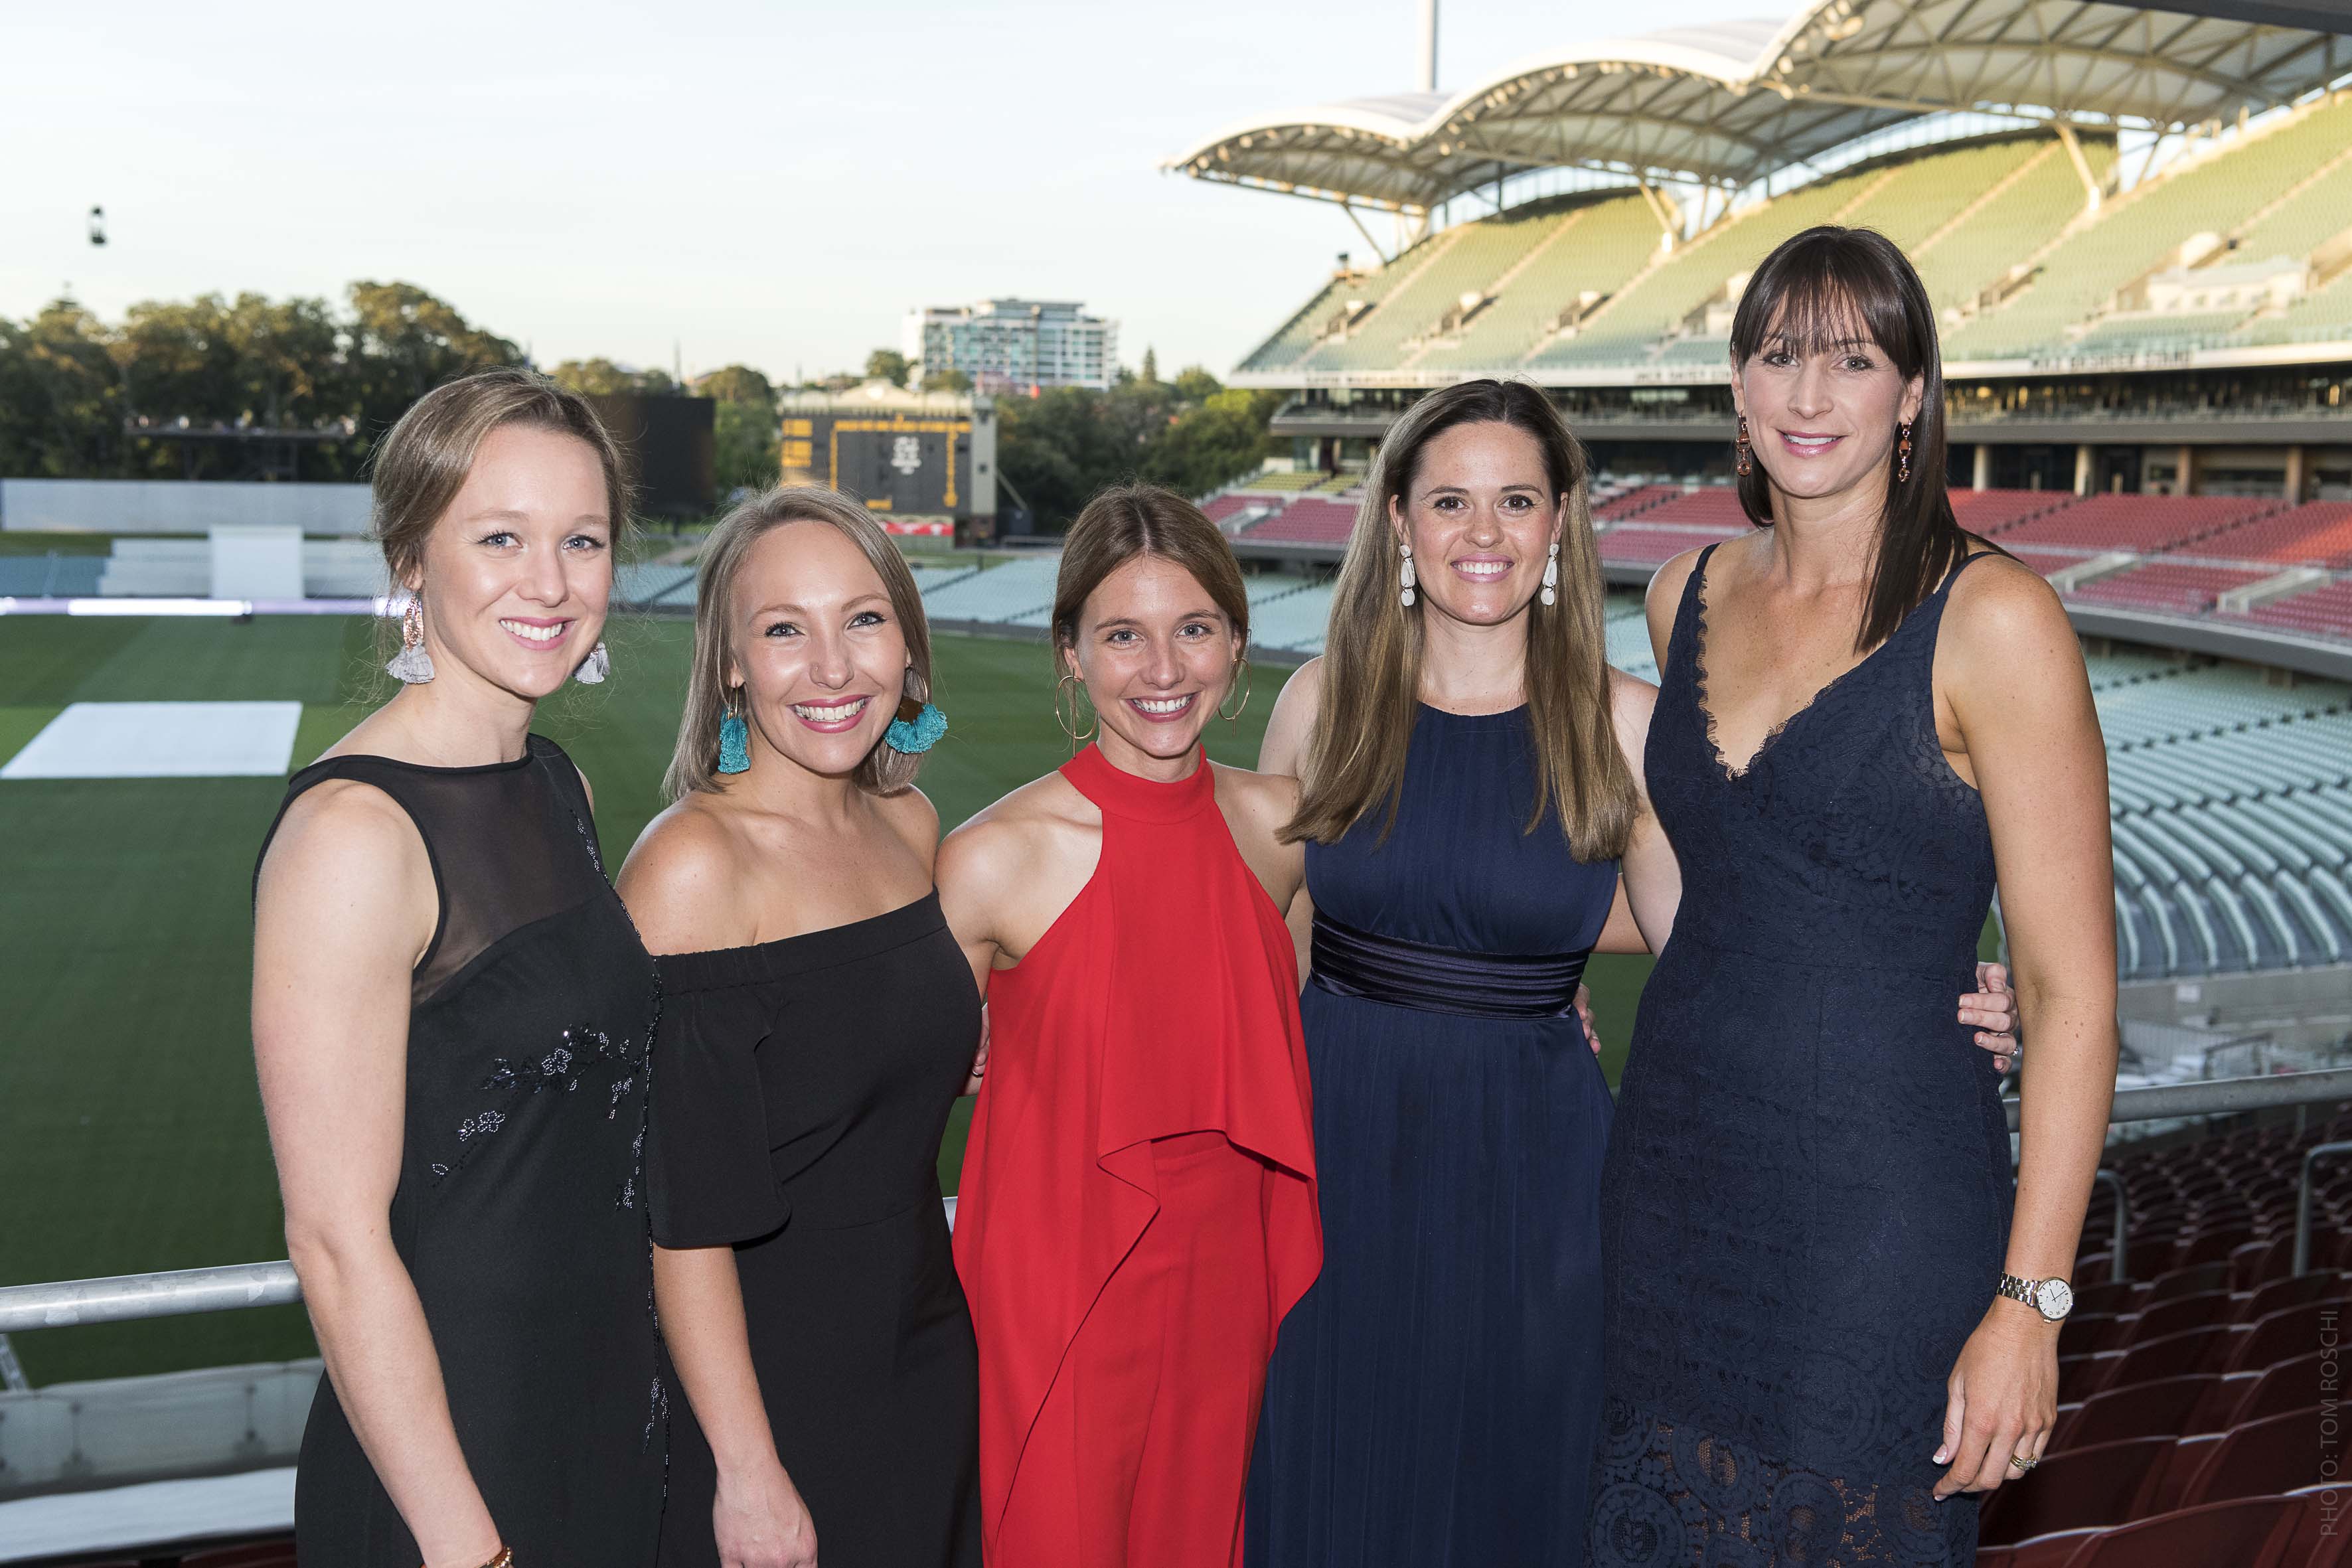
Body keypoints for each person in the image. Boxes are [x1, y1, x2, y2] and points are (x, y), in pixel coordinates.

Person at [1243, 380, 2020, 1567]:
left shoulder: (1627, 727)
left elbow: (1740, 942)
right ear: (1397, 519)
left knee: (1514, 1499)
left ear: (1560, 521)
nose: (1485, 532)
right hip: (1337, 1164)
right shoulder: (1320, 703)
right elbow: (1267, 948)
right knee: (1331, 1483)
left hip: (1537, 1180)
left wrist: (1943, 989)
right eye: (1450, 501)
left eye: (1518, 500)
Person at [1589, 227, 2118, 1566]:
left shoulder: (1995, 619)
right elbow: (1721, 897)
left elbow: (2068, 992)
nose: (1810, 395)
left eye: (1853, 359)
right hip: (1671, 1185)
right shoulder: (1680, 594)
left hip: (1881, 1211)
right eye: (1779, 356)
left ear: (1913, 392)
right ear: (1735, 383)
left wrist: (2030, 1301)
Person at [252, 368, 661, 1568]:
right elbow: (334, 1239)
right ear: (411, 560)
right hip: (455, 1471)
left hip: (604, 1417)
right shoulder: (353, 835)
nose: (551, 582)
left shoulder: (559, 786)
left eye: (582, 540)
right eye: (500, 538)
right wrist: (465, 1546)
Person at [936, 483, 1322, 1568]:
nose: (1163, 669)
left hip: (1225, 1292)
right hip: (1056, 1293)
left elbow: (1311, 1002)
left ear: (1236, 642)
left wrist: (1550, 988)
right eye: (1122, 635)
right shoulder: (992, 857)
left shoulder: (1282, 828)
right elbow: (899, 1091)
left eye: (1194, 628)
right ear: (1070, 653)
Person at [621, 487, 981, 1568]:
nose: (833, 668)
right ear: (731, 664)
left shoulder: (910, 824)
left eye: (863, 619)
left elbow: (867, 1039)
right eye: (785, 630)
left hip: (924, 1353)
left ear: (907, 646)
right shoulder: (693, 865)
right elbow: (679, 1218)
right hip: (763, 1396)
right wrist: (746, 1469)